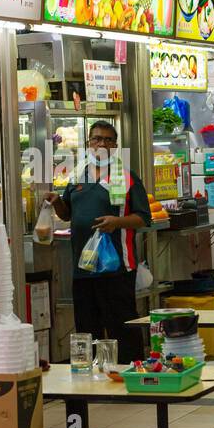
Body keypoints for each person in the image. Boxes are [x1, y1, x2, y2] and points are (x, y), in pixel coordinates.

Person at [46, 121, 150, 363]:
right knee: (86, 326)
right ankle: (90, 379)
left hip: (117, 267)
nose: (101, 144)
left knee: (121, 325)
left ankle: (128, 373)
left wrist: (117, 221)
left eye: (107, 140)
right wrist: (56, 201)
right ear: (88, 144)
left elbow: (143, 218)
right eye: (96, 139)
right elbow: (67, 214)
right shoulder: (77, 176)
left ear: (115, 146)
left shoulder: (126, 177)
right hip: (83, 267)